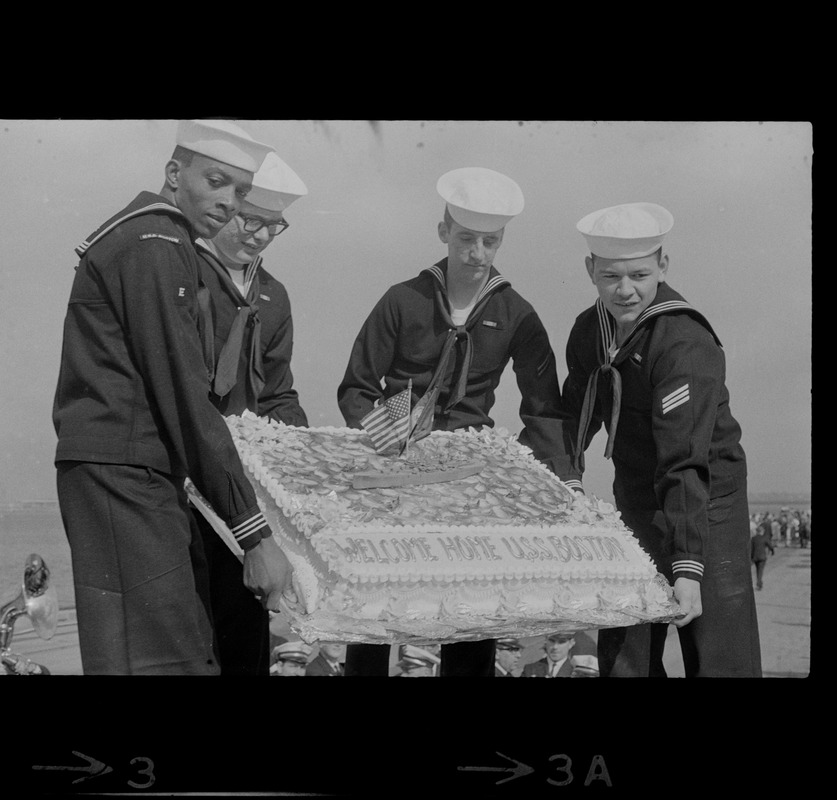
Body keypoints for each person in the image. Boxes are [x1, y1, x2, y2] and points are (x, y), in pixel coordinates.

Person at [52, 120, 294, 675]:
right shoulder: (157, 244)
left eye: (239, 190)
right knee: (164, 658)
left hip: (130, 469)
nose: (229, 203)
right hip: (124, 472)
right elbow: (184, 393)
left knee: (160, 652)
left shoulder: (154, 238)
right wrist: (254, 534)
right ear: (173, 173)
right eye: (215, 181)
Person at [337, 167, 576, 677]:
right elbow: (357, 386)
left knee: (471, 607)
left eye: (491, 241)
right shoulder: (403, 299)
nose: (478, 253)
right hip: (393, 457)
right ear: (444, 231)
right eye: (467, 238)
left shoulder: (517, 312)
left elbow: (542, 407)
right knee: (377, 603)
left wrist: (552, 477)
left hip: (469, 464)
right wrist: (390, 432)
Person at [563, 202, 762, 678]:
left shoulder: (683, 342)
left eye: (639, 274)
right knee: (624, 656)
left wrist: (688, 566)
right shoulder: (589, 330)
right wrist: (566, 483)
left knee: (718, 654)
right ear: (591, 269)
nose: (625, 290)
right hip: (634, 500)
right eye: (611, 276)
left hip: (706, 503)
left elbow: (683, 461)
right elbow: (570, 420)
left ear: (663, 266)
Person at [189, 152, 309, 675]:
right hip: (188, 472)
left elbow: (278, 392)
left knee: (244, 623)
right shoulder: (185, 273)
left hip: (244, 487)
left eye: (273, 226)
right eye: (250, 219)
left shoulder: (273, 295)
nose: (259, 236)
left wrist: (301, 456)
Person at [751, 524, 776, 590]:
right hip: (762, 557)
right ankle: (759, 584)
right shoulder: (764, 538)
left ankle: (759, 583)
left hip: (755, 557)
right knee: (760, 571)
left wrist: (751, 557)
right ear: (761, 531)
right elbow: (770, 545)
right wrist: (772, 551)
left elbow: (751, 548)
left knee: (757, 570)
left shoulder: (753, 538)